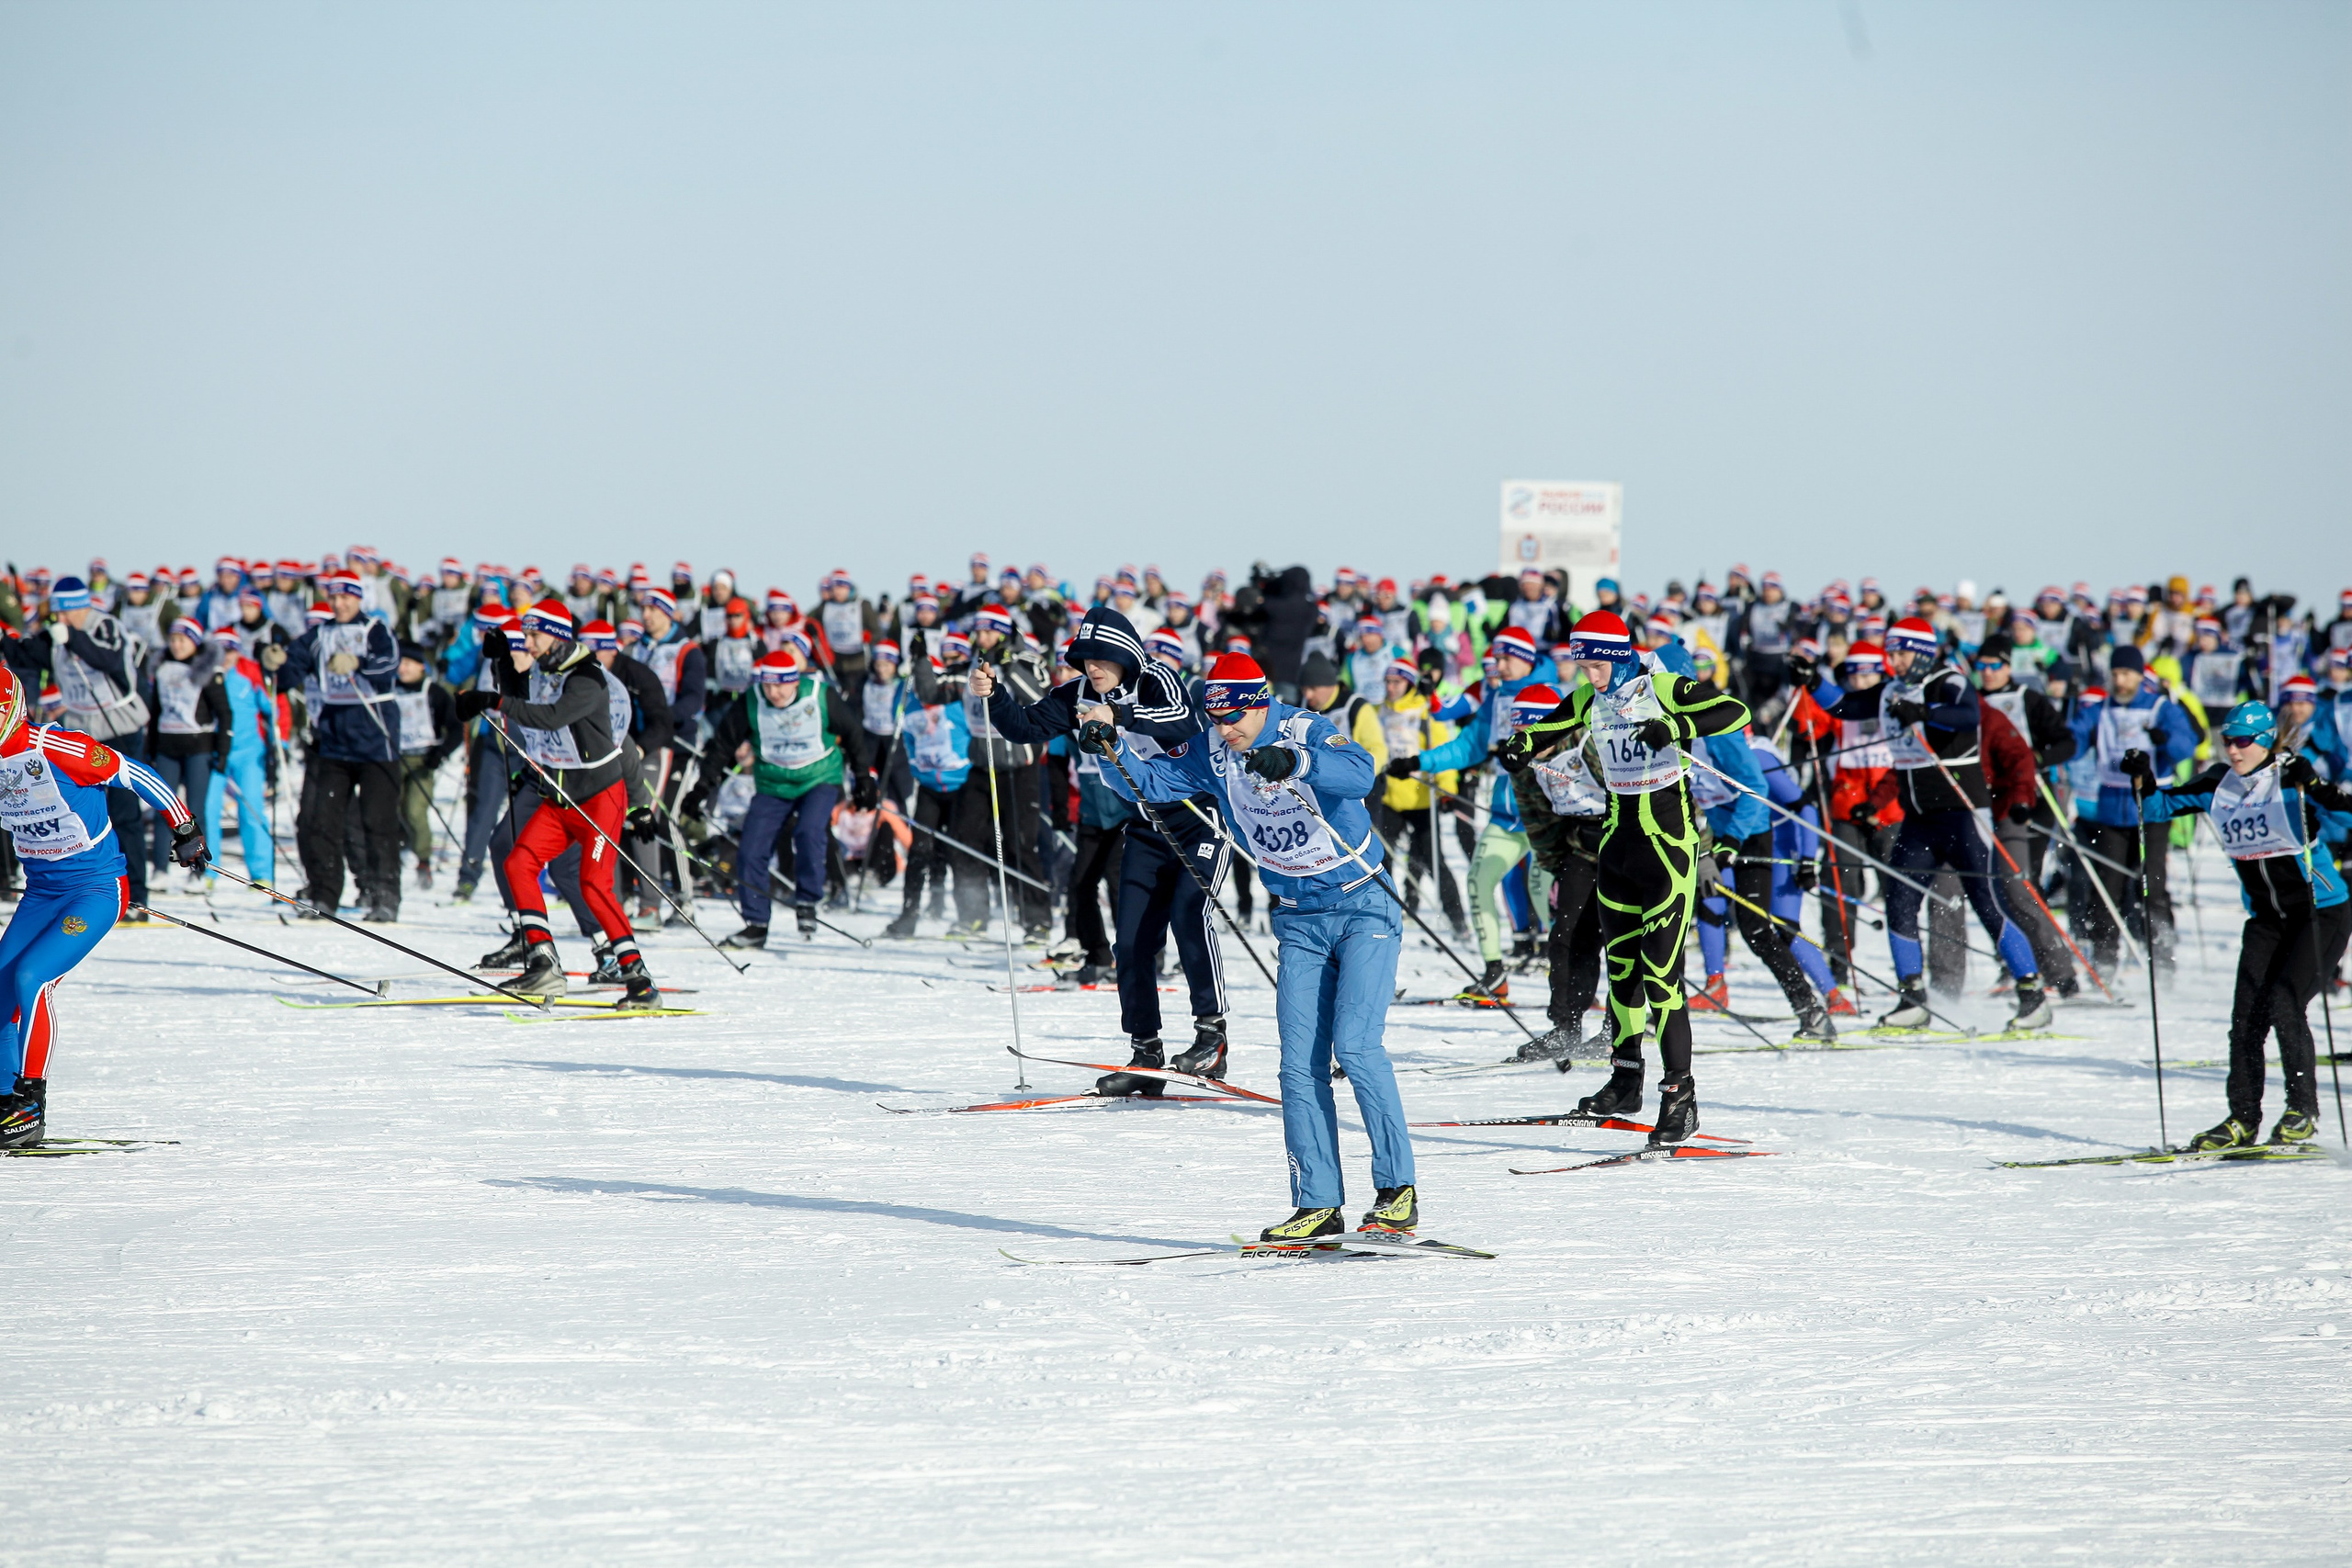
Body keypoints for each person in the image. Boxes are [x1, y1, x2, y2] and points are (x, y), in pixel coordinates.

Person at [1096, 651, 1418, 1240]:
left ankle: (1397, 1191)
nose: (1225, 729)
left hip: (1362, 904)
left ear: (1260, 703)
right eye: (1216, 718)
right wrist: (1110, 750)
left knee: (1354, 1045)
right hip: (1298, 919)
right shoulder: (1213, 749)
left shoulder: (1301, 727)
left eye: (1235, 717)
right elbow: (1152, 784)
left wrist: (1296, 762)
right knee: (1298, 1066)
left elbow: (1359, 773)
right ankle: (1318, 1203)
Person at [1499, 611, 1752, 1143]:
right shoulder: (1589, 699)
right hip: (1616, 849)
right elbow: (1549, 726)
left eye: (1595, 664)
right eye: (1581, 665)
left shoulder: (1662, 686)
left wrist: (1677, 727)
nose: (1588, 675)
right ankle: (1625, 1079)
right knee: (1622, 975)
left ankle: (1680, 1096)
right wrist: (1522, 745)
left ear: (1616, 657)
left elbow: (1735, 711)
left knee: (1661, 977)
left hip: (1667, 849)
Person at [973, 606, 1230, 1088]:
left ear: (1125, 655)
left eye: (1101, 658)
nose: (1091, 668)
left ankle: (1211, 1039)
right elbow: (1024, 728)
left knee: (1189, 916)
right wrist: (997, 695)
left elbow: (1178, 722)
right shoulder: (1077, 694)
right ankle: (1145, 1053)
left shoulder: (1156, 678)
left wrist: (1117, 714)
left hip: (1199, 819)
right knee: (1130, 942)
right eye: (1084, 659)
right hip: (1147, 825)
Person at [1799, 616, 2054, 1030]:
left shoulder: (1948, 681)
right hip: (1920, 820)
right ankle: (1912, 997)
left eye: (1900, 653)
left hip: (1963, 815)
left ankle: (2032, 994)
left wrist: (1922, 711)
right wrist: (1813, 682)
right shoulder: (1891, 690)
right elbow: (1845, 707)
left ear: (1920, 653)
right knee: (1899, 901)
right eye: (1890, 653)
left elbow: (1966, 715)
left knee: (1988, 904)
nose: (1894, 662)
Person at [2130, 703, 2352, 1148]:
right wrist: (2144, 778)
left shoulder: (2291, 779)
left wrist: (2316, 786)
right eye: (2227, 741)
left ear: (2266, 741)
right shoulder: (2219, 783)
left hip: (2320, 912)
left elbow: (2347, 815)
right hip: (2266, 920)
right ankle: (2242, 1119)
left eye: (2243, 742)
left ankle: (2302, 1111)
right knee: (2246, 1019)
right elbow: (2156, 808)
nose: (2233, 750)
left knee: (2285, 1003)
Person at [0, 666, 206, 1145]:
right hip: (42, 892)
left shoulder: (56, 747)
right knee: (2, 986)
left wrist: (184, 827)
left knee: (33, 977)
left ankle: (30, 1102)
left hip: (96, 889)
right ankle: (6, 1100)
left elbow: (135, 774)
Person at [455, 600, 656, 1006]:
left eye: (534, 636)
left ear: (558, 636)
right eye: (525, 636)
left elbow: (550, 716)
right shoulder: (545, 671)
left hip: (600, 799)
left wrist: (488, 700)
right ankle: (543, 965)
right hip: (559, 796)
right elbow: (520, 696)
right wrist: (501, 663)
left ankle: (639, 980)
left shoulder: (587, 677)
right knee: (518, 863)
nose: (528, 643)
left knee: (593, 884)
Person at [1385, 624, 1551, 1000]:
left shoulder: (1548, 693)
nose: (1498, 666)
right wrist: (1418, 761)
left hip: (1545, 815)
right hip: (1506, 814)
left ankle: (1572, 975)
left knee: (1543, 893)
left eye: (1505, 659)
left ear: (1526, 659)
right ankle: (1494, 973)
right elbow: (1467, 747)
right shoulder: (1496, 698)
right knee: (1478, 881)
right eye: (1496, 658)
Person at [3, 576, 160, 919]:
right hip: (82, 734)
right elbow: (27, 655)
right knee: (90, 815)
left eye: (65, 613)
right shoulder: (58, 634)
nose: (59, 619)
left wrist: (73, 638)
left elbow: (108, 659)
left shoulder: (104, 625)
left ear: (79, 608)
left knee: (125, 814)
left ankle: (138, 895)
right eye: (57, 614)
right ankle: (87, 889)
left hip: (119, 726)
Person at [707, 648, 873, 947]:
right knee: (751, 850)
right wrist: (702, 786)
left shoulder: (819, 696)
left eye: (780, 686)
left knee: (809, 832)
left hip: (818, 778)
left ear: (795, 682)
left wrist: (863, 778)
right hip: (773, 784)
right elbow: (722, 744)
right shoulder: (752, 700)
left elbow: (853, 733)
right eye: (768, 686)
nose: (773, 693)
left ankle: (807, 899)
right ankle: (756, 923)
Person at [914, 606, 1055, 942]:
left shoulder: (1028, 661)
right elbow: (931, 693)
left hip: (1019, 768)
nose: (983, 637)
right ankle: (973, 914)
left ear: (1004, 633)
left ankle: (1036, 920)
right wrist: (919, 659)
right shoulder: (970, 667)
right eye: (979, 631)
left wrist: (1009, 667)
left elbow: (1040, 699)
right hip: (982, 766)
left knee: (1020, 845)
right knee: (965, 841)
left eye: (990, 631)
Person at [278, 571, 405, 921]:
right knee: (323, 822)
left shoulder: (374, 629)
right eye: (333, 598)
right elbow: (291, 669)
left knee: (378, 823)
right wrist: (274, 662)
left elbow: (389, 664)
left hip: (375, 739)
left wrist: (359, 663)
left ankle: (384, 895)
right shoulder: (320, 635)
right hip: (334, 741)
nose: (339, 603)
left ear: (358, 598)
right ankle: (324, 895)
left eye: (346, 597)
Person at [2065, 644, 2199, 975]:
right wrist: (2056, 748)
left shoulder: (2160, 708)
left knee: (2151, 887)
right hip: (2111, 809)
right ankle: (2105, 961)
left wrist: (2165, 740)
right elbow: (2075, 738)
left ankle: (2162, 960)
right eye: (2115, 674)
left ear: (2139, 676)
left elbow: (2185, 746)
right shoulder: (2101, 709)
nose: (2119, 681)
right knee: (2106, 889)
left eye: (2126, 674)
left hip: (2152, 810)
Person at [1369, 656, 1467, 940]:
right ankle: (1384, 915)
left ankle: (1457, 920)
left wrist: (1447, 791)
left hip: (1422, 799)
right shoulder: (1376, 711)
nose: (1390, 687)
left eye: (1396, 682)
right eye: (1387, 682)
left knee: (1434, 860)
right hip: (1389, 798)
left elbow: (1442, 751)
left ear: (1409, 684)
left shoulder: (1425, 712)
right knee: (1381, 858)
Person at [144, 619, 232, 890]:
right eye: (173, 640)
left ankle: (197, 871)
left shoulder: (207, 669)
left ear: (195, 642)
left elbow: (224, 712)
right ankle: (160, 869)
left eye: (183, 640)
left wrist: (222, 751)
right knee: (163, 808)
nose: (177, 645)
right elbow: (155, 712)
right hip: (167, 747)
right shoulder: (162, 668)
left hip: (198, 748)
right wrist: (150, 749)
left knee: (194, 812)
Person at [199, 623, 279, 888]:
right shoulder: (204, 675)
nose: (226, 656)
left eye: (231, 650)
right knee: (207, 811)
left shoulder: (249, 674)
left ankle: (262, 872)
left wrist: (279, 744)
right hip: (214, 754)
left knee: (252, 811)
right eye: (220, 650)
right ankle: (207, 871)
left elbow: (273, 708)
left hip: (248, 753)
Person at [389, 641, 460, 892]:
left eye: (408, 663)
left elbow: (455, 728)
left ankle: (423, 860)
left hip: (423, 760)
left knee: (414, 810)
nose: (403, 668)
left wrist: (441, 753)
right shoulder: (389, 690)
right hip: (394, 758)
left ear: (421, 666)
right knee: (390, 808)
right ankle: (393, 855)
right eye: (400, 663)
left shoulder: (434, 693)